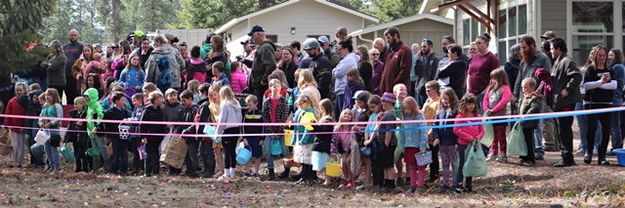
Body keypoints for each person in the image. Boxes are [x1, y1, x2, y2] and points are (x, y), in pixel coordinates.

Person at [513, 36, 552, 161]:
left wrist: (537, 93)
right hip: (523, 97)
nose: (523, 50)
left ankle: (538, 149)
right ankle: (526, 151)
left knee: (536, 124)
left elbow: (545, 78)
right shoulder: (523, 61)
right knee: (524, 126)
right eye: (521, 48)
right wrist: (515, 94)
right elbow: (519, 78)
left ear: (532, 45)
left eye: (525, 47)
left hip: (536, 97)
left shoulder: (543, 59)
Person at [550, 38, 581, 167]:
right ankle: (565, 155)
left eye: (552, 48)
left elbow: (577, 75)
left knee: (565, 129)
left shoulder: (567, 61)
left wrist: (567, 89)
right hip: (559, 102)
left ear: (558, 49)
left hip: (567, 101)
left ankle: (568, 158)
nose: (551, 51)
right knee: (561, 129)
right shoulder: (557, 61)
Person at [583, 45, 616, 166]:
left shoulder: (610, 69)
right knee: (591, 129)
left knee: (606, 130)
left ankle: (602, 156)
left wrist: (597, 85)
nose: (602, 58)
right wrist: (601, 82)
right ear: (595, 56)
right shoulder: (590, 69)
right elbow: (586, 86)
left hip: (606, 104)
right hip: (591, 103)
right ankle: (589, 152)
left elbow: (614, 85)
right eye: (600, 55)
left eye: (604, 55)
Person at [453, 94, 484, 193]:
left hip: (473, 145)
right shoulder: (460, 116)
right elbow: (456, 130)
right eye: (469, 104)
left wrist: (477, 138)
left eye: (473, 104)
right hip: (463, 144)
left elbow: (482, 130)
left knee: (470, 164)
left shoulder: (478, 117)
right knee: (462, 164)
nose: (471, 106)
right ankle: (459, 185)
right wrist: (469, 137)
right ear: (464, 104)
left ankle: (468, 185)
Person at [482, 68, 512, 162]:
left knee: (501, 136)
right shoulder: (490, 88)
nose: (492, 80)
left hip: (500, 116)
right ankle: (493, 152)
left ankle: (503, 154)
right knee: (493, 136)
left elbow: (504, 101)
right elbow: (485, 99)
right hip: (491, 116)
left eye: (494, 78)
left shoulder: (505, 88)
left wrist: (494, 110)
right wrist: (487, 109)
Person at [262, 79, 289, 180]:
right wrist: (271, 131)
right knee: (268, 151)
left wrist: (279, 131)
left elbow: (284, 116)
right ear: (270, 88)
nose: (276, 88)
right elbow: (265, 117)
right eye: (274, 86)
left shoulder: (284, 101)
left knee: (285, 151)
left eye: (278, 86)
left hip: (281, 131)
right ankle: (271, 172)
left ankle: (286, 170)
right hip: (270, 131)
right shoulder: (266, 102)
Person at [400, 96, 428, 194]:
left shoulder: (419, 116)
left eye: (407, 108)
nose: (406, 111)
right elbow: (402, 133)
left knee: (420, 167)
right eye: (404, 109)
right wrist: (402, 145)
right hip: (408, 146)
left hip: (418, 146)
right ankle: (412, 185)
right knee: (411, 166)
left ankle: (419, 186)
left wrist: (423, 145)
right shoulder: (405, 118)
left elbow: (424, 131)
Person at [432, 88, 459, 189]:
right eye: (443, 99)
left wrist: (457, 141)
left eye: (446, 99)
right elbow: (435, 125)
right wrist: (436, 137)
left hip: (453, 142)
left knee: (454, 163)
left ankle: (456, 183)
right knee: (445, 163)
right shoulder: (440, 112)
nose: (444, 101)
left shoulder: (456, 112)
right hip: (443, 143)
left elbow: (459, 128)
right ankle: (445, 183)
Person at [467, 33, 500, 112]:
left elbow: (495, 77)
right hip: (471, 92)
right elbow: (469, 74)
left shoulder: (491, 58)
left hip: (483, 93)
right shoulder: (475, 57)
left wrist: (486, 91)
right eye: (476, 43)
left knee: (482, 114)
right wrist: (468, 89)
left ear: (486, 44)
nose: (477, 46)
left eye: (479, 43)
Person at [291, 93, 318, 185]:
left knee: (307, 160)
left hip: (307, 141)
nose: (300, 106)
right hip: (300, 138)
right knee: (303, 159)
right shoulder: (301, 112)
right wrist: (295, 139)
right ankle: (303, 175)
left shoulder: (310, 113)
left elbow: (309, 128)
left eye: (301, 104)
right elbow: (296, 126)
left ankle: (307, 177)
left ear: (307, 103)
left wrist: (304, 139)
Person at [376, 92, 399, 191]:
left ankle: (391, 183)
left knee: (389, 165)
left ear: (389, 102)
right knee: (384, 164)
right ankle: (386, 181)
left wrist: (386, 144)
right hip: (382, 142)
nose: (382, 103)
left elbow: (389, 131)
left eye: (384, 101)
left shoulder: (390, 115)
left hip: (388, 143)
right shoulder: (385, 114)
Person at [103, 92, 131, 175]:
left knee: (124, 153)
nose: (124, 102)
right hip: (114, 136)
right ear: (117, 101)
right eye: (122, 100)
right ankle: (114, 170)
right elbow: (106, 123)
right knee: (115, 154)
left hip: (124, 136)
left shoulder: (125, 111)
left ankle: (123, 170)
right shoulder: (109, 112)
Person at [518, 78, 544, 166]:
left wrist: (525, 116)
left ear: (532, 88)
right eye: (522, 88)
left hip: (529, 124)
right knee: (523, 141)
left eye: (525, 87)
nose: (523, 89)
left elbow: (535, 108)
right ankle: (523, 157)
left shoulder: (535, 97)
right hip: (523, 123)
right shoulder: (524, 97)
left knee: (529, 141)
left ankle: (530, 158)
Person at [140, 91, 166, 177]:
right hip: (149, 135)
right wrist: (143, 136)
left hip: (158, 136)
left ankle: (156, 172)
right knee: (148, 154)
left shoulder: (161, 110)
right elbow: (143, 124)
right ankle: (147, 172)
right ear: (154, 100)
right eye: (160, 98)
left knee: (156, 154)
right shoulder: (147, 110)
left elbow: (162, 123)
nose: (162, 100)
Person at [379, 28, 412, 94]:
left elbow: (405, 71)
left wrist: (394, 84)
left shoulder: (404, 50)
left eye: (389, 38)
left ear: (395, 36)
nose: (387, 40)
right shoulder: (389, 51)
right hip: (387, 90)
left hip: (398, 91)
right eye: (386, 38)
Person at [194, 83, 216, 178]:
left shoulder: (205, 105)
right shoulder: (207, 104)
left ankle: (209, 170)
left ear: (203, 93)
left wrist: (199, 135)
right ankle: (206, 169)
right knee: (204, 151)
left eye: (200, 92)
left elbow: (202, 120)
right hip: (207, 132)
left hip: (206, 133)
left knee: (206, 152)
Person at [248, 25, 276, 100]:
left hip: (261, 85)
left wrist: (264, 79)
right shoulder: (262, 47)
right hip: (257, 83)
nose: (252, 38)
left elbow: (271, 64)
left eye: (252, 36)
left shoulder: (266, 47)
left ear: (259, 34)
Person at [421, 81, 441, 183]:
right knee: (426, 153)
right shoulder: (427, 101)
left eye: (430, 90)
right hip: (424, 131)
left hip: (433, 132)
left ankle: (434, 175)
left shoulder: (439, 102)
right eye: (426, 90)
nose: (427, 92)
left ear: (436, 90)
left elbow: (437, 119)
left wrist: (431, 131)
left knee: (433, 154)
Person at [177, 90, 200, 177]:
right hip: (185, 136)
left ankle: (194, 170)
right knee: (186, 154)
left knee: (192, 153)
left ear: (190, 99)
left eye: (184, 100)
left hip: (192, 136)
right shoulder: (185, 109)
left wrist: (188, 130)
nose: (183, 103)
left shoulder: (195, 109)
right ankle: (188, 169)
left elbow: (195, 123)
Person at [3, 82, 27, 167]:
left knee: (21, 145)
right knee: (13, 145)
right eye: (17, 90)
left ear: (24, 91)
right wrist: (7, 125)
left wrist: (25, 126)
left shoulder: (26, 101)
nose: (19, 91)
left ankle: (19, 162)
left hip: (22, 128)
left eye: (20, 90)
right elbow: (7, 113)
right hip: (13, 127)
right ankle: (12, 161)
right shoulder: (12, 101)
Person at [67, 96, 92, 172]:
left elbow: (88, 124)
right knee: (76, 153)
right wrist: (67, 137)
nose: (75, 106)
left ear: (82, 104)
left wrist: (83, 124)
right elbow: (70, 126)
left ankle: (85, 168)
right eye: (74, 104)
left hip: (83, 136)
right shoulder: (73, 114)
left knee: (82, 153)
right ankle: (78, 167)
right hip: (75, 136)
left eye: (76, 104)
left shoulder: (86, 114)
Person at [313, 99, 335, 186]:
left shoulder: (328, 119)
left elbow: (325, 130)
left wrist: (315, 126)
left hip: (326, 142)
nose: (320, 109)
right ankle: (325, 178)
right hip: (321, 141)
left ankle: (328, 179)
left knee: (327, 162)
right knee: (323, 161)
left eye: (321, 108)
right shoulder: (322, 118)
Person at [608, 48, 625, 155]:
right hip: (617, 99)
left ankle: (616, 147)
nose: (609, 58)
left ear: (617, 56)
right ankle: (616, 146)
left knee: (614, 125)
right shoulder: (619, 66)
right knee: (615, 125)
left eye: (611, 56)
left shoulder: (617, 67)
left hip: (615, 99)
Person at [241, 94, 263, 178]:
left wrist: (262, 138)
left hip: (257, 138)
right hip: (248, 138)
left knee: (257, 155)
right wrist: (244, 138)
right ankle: (247, 171)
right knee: (247, 154)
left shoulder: (261, 114)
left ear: (256, 103)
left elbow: (263, 127)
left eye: (250, 105)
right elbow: (242, 126)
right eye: (247, 105)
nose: (248, 107)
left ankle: (256, 172)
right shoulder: (246, 114)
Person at [363, 95, 382, 188]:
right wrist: (366, 139)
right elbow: (367, 128)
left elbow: (376, 128)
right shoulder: (371, 115)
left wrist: (370, 140)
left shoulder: (380, 115)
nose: (371, 109)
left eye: (373, 107)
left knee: (377, 162)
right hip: (370, 141)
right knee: (372, 162)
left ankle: (378, 182)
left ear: (379, 105)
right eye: (370, 107)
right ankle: (373, 181)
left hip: (376, 140)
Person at [414, 38, 440, 106]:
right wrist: (418, 60)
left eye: (425, 46)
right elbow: (416, 72)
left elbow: (435, 75)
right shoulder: (421, 58)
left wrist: (432, 88)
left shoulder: (435, 58)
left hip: (429, 90)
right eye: (422, 47)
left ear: (430, 46)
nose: (422, 48)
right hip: (420, 88)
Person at [63, 29, 84, 104]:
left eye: (74, 35)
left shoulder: (81, 46)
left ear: (77, 36)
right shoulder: (65, 47)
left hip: (76, 75)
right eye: (71, 35)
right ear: (69, 35)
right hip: (66, 74)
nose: (73, 36)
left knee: (76, 95)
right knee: (68, 95)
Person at [128, 93, 145, 173]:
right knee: (135, 152)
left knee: (140, 152)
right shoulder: (135, 109)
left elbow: (138, 120)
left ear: (140, 100)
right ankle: (135, 167)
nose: (133, 103)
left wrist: (131, 120)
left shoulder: (142, 109)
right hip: (133, 134)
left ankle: (141, 168)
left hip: (138, 134)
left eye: (134, 101)